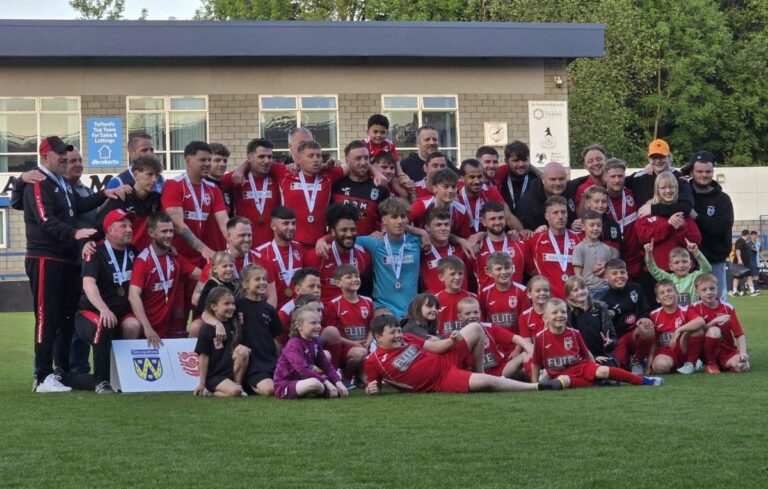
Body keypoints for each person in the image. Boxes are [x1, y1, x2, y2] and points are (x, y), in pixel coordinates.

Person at [23, 136, 128, 393]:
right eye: (58, 154)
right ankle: (42, 376)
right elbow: (45, 219)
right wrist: (74, 234)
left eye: (64, 154)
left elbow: (78, 206)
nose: (63, 158)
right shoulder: (38, 182)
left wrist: (104, 194)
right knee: (46, 318)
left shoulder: (61, 183)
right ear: (44, 156)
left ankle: (60, 373)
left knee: (63, 318)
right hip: (45, 257)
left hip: (65, 259)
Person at [364, 314, 557, 394]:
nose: (398, 335)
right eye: (393, 333)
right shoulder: (373, 361)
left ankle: (480, 371)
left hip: (444, 358)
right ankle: (537, 387)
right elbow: (373, 386)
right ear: (379, 337)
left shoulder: (408, 337)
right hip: (441, 380)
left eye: (398, 330)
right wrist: (370, 389)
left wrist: (453, 339)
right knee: (484, 382)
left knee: (475, 327)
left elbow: (437, 348)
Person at [74, 209, 142, 394]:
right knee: (103, 325)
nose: (129, 229)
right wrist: (103, 309)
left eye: (130, 226)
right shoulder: (95, 251)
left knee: (134, 326)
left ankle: (124, 375)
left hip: (121, 312)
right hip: (91, 312)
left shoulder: (133, 252)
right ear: (109, 230)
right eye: (123, 226)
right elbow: (88, 284)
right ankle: (101, 381)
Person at [530, 299, 664, 388]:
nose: (560, 315)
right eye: (555, 312)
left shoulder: (574, 333)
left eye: (563, 312)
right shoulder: (540, 338)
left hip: (582, 367)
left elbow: (586, 353)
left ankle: (643, 381)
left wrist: (594, 368)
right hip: (561, 375)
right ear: (545, 318)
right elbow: (535, 363)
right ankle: (599, 384)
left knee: (604, 371)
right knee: (563, 382)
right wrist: (534, 384)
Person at [636, 171, 702, 301]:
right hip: (656, 274)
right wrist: (667, 224)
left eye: (671, 187)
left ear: (677, 189)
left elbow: (696, 241)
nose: (668, 191)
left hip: (684, 275)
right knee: (658, 315)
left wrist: (680, 227)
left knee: (686, 313)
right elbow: (643, 238)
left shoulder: (683, 213)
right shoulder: (646, 211)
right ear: (657, 189)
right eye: (663, 187)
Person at [129, 212, 192, 344]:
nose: (169, 235)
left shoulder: (174, 257)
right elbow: (133, 295)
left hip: (166, 329)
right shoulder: (143, 261)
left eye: (171, 231)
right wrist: (147, 328)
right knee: (131, 326)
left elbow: (200, 274)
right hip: (145, 331)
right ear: (151, 233)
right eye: (164, 231)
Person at [162, 140, 229, 265]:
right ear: (188, 161)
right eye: (202, 160)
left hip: (205, 259)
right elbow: (176, 223)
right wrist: (203, 249)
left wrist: (234, 243)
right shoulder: (174, 185)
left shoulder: (213, 189)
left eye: (209, 160)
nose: (208, 164)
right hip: (179, 258)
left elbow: (224, 221)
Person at [355, 198, 423, 319]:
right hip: (383, 307)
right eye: (394, 217)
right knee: (387, 324)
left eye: (403, 216)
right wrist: (322, 240)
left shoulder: (416, 242)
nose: (400, 221)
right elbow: (346, 239)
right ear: (384, 220)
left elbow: (441, 236)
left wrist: (424, 233)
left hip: (411, 310)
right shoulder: (376, 243)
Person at [680, 151, 734, 300]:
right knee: (687, 307)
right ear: (692, 171)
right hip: (687, 264)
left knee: (717, 305)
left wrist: (695, 216)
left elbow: (721, 228)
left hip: (714, 263)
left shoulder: (722, 199)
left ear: (713, 172)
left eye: (708, 171)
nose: (704, 175)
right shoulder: (682, 194)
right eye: (699, 171)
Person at [273, 306, 348, 399]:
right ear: (299, 326)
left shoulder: (315, 341)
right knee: (314, 383)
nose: (318, 326)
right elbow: (303, 371)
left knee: (337, 375)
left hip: (304, 380)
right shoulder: (294, 344)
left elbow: (325, 364)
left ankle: (321, 391)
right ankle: (326, 392)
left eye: (319, 322)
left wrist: (338, 382)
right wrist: (327, 382)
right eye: (313, 323)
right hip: (285, 384)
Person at [198, 216, 275, 305]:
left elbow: (272, 297)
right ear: (229, 236)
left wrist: (263, 316)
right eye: (242, 235)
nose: (247, 239)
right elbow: (196, 297)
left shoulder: (261, 260)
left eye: (249, 235)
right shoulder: (218, 261)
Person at [304, 203, 372, 304]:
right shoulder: (317, 256)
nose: (349, 234)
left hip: (352, 313)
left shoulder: (364, 256)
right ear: (333, 232)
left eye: (352, 230)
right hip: (325, 314)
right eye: (344, 230)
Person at [219, 138, 280, 248]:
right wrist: (241, 169)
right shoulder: (236, 178)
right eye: (261, 157)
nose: (266, 161)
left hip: (273, 248)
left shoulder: (278, 177)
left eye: (270, 157)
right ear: (249, 158)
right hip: (245, 245)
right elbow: (211, 181)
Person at [97, 154, 163, 251]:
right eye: (149, 174)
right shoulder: (121, 196)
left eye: (157, 175)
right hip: (124, 255)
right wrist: (89, 241)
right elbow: (99, 226)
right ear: (135, 175)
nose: (154, 180)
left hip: (147, 256)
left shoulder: (156, 199)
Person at [234, 265, 283, 395]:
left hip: (270, 361)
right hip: (252, 363)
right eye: (257, 279)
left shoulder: (269, 309)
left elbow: (276, 339)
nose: (263, 282)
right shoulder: (236, 306)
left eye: (264, 279)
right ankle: (245, 383)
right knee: (269, 389)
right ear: (245, 284)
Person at [601, 259, 656, 374]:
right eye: (614, 273)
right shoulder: (604, 300)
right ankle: (630, 360)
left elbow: (645, 309)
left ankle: (637, 361)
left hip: (636, 331)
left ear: (627, 273)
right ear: (606, 278)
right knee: (617, 369)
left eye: (622, 272)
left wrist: (644, 317)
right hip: (619, 339)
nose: (619, 276)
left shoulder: (636, 288)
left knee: (647, 328)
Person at [456, 297, 532, 379]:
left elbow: (516, 338)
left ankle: (533, 379)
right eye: (467, 313)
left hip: (501, 369)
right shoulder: (457, 335)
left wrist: (530, 350)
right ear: (459, 316)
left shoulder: (490, 327)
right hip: (476, 375)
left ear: (480, 313)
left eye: (475, 312)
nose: (472, 316)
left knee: (526, 353)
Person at [193, 287, 249, 397]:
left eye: (233, 304)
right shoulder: (207, 330)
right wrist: (201, 383)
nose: (231, 307)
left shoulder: (234, 324)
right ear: (214, 306)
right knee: (235, 392)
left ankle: (238, 384)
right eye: (226, 304)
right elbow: (203, 357)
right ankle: (210, 390)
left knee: (243, 350)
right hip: (215, 376)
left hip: (230, 373)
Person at [322, 264, 374, 382]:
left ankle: (359, 375)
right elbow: (333, 335)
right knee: (359, 353)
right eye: (349, 277)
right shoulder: (334, 304)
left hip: (364, 348)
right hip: (346, 350)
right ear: (338, 283)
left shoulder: (368, 302)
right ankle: (347, 377)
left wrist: (369, 341)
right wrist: (353, 343)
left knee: (369, 381)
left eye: (357, 276)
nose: (355, 279)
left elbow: (372, 327)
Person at [524, 195, 583, 299]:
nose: (560, 216)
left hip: (576, 300)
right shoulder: (535, 240)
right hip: (549, 302)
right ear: (547, 216)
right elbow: (529, 267)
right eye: (555, 213)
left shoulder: (579, 238)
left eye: (563, 212)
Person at [692, 274, 750, 373]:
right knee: (714, 331)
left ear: (717, 289)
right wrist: (714, 321)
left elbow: (739, 334)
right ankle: (710, 363)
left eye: (712, 288)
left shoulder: (728, 308)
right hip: (704, 353)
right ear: (697, 292)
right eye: (704, 290)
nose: (709, 292)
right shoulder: (694, 308)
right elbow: (695, 332)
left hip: (726, 351)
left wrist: (743, 353)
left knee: (744, 366)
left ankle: (725, 365)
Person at [331, 140, 390, 236]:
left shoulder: (380, 187)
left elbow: (389, 219)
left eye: (366, 158)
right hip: (340, 245)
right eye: (358, 158)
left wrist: (382, 233)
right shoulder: (335, 184)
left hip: (367, 246)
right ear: (347, 161)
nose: (363, 163)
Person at [648, 280, 706, 375]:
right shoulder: (654, 315)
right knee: (660, 366)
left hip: (684, 350)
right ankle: (676, 366)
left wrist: (679, 330)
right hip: (666, 352)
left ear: (677, 294)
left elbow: (701, 321)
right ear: (658, 299)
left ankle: (690, 363)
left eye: (669, 291)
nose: (666, 294)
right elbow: (652, 343)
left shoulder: (686, 309)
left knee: (698, 330)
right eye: (662, 293)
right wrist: (649, 365)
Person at [627, 139, 695, 218]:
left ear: (669, 157)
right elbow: (616, 183)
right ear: (649, 159)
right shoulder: (639, 177)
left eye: (662, 157)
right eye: (654, 158)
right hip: (647, 228)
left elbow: (686, 208)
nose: (658, 161)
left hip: (673, 228)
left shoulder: (680, 179)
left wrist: (652, 209)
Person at [256, 206, 303, 311]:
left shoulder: (298, 247)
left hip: (299, 311)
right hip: (274, 311)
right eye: (286, 223)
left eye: (293, 223)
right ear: (273, 226)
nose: (291, 227)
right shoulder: (261, 253)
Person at [457, 158, 522, 233]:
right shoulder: (454, 193)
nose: (477, 181)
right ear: (462, 178)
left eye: (480, 177)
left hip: (487, 239)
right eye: (472, 177)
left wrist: (522, 233)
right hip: (462, 241)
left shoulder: (490, 191)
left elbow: (509, 217)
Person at [602, 158, 642, 278]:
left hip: (637, 260)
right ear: (605, 177)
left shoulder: (632, 193)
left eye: (620, 176)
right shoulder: (600, 199)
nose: (617, 180)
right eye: (613, 176)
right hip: (613, 261)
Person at [564, 276, 617, 364]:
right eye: (576, 290)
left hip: (604, 357)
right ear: (569, 295)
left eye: (583, 288)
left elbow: (613, 337)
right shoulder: (567, 314)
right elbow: (568, 344)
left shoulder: (601, 308)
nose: (581, 292)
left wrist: (610, 342)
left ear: (588, 289)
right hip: (581, 359)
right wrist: (592, 357)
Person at [419, 207, 472, 294]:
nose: (443, 228)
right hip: (435, 305)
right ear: (427, 227)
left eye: (446, 224)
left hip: (461, 304)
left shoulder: (461, 248)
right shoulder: (422, 251)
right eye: (438, 225)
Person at [475, 201, 527, 289]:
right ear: (483, 222)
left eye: (500, 218)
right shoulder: (476, 247)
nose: (497, 222)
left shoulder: (519, 243)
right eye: (492, 219)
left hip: (515, 300)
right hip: (486, 301)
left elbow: (534, 271)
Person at [644, 239, 711, 306]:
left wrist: (696, 252)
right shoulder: (668, 279)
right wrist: (649, 254)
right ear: (670, 266)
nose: (681, 265)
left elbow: (707, 269)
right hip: (674, 315)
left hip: (693, 313)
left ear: (690, 264)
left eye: (684, 261)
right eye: (676, 263)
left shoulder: (695, 277)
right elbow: (654, 270)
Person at [409, 168, 472, 239]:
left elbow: (465, 238)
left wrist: (459, 240)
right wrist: (422, 233)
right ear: (435, 188)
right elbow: (401, 224)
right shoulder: (422, 205)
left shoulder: (462, 210)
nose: (450, 190)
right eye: (446, 187)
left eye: (453, 187)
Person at [516, 162, 577, 232]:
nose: (558, 183)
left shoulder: (570, 190)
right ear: (543, 179)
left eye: (561, 179)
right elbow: (523, 233)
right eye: (553, 179)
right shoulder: (527, 203)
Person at [572, 210, 619, 300]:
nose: (596, 228)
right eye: (592, 225)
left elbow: (610, 272)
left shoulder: (607, 248)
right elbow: (578, 275)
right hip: (589, 291)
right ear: (583, 227)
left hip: (606, 290)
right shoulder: (579, 248)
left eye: (598, 225)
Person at [478, 252, 529, 335]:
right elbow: (483, 322)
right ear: (489, 272)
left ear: (513, 268)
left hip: (517, 343)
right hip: (494, 345)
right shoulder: (485, 293)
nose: (504, 272)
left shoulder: (522, 291)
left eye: (507, 268)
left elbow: (526, 324)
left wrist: (518, 347)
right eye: (499, 269)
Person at [190, 252, 237, 337]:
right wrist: (216, 321)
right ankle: (192, 349)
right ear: (215, 269)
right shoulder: (211, 284)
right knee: (196, 327)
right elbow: (201, 306)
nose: (229, 269)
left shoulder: (235, 284)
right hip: (211, 316)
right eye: (225, 266)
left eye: (231, 266)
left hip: (231, 317)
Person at [434, 256, 477, 337]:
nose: (457, 277)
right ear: (441, 277)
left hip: (468, 344)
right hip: (444, 345)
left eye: (460, 273)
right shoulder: (435, 300)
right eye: (452, 274)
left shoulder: (472, 297)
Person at [276, 268, 323, 339]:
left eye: (319, 287)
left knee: (331, 332)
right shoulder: (285, 313)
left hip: (316, 344)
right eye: (311, 286)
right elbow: (279, 343)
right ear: (297, 290)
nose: (316, 290)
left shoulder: (321, 305)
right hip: (294, 347)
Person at [495, 140, 539, 213]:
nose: (521, 164)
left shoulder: (537, 182)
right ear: (506, 161)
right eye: (516, 160)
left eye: (524, 160)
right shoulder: (499, 181)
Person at [580, 185, 622, 251]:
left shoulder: (613, 226)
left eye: (604, 201)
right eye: (596, 201)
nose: (600, 205)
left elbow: (616, 250)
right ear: (588, 203)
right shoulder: (580, 225)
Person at [206, 143, 234, 217]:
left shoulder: (227, 191)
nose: (223, 164)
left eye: (225, 161)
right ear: (207, 162)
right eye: (217, 160)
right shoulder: (199, 187)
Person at [731, 230, 756, 296]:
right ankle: (734, 291)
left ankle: (752, 291)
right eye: (749, 235)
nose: (749, 236)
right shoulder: (740, 241)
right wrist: (739, 259)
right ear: (747, 235)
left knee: (748, 276)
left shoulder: (744, 242)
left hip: (746, 263)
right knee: (737, 277)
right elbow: (737, 250)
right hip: (740, 262)